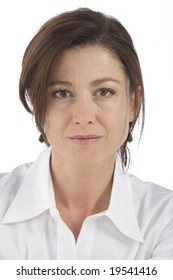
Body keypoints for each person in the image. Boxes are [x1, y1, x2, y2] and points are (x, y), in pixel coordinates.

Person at [0, 8, 173, 260]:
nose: (83, 116)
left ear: (133, 103)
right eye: (61, 92)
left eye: (104, 92)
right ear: (36, 102)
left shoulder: (165, 219)